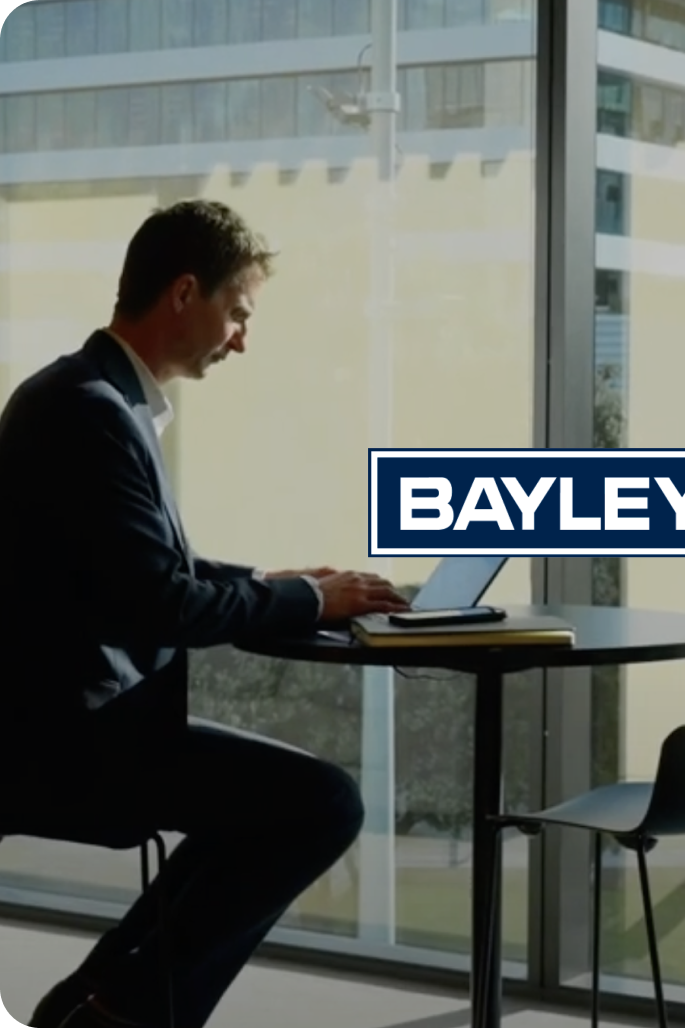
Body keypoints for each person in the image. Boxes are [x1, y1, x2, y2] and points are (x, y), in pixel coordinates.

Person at [0, 199, 409, 1028]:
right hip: (68, 743)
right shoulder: (89, 410)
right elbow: (159, 603)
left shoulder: (89, 395)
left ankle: (95, 1005)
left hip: (76, 723)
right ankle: (117, 1014)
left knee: (264, 810)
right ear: (185, 293)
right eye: (239, 312)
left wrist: (272, 580)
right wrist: (306, 601)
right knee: (324, 804)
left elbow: (145, 568)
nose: (242, 339)